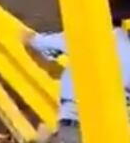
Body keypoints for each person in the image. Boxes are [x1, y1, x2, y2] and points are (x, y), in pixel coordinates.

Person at [26, 7, 130, 142]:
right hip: (112, 133)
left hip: (75, 127)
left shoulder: (96, 36)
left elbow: (41, 43)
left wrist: (28, 38)